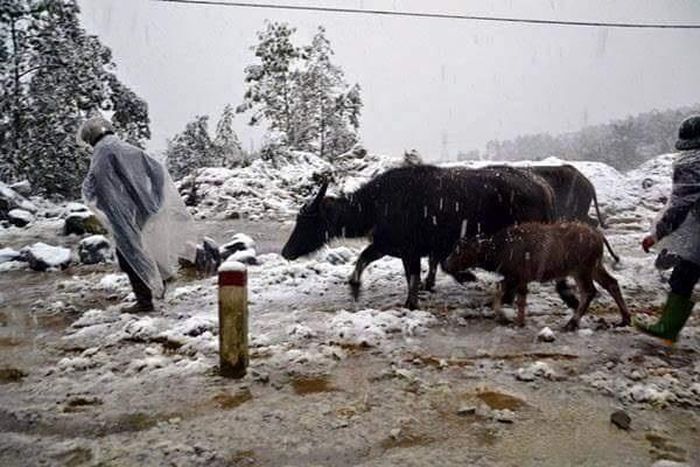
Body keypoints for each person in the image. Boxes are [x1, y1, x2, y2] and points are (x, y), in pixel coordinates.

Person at [79, 116, 197, 312]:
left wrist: (106, 207)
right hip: (143, 210)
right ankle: (161, 283)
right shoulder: (126, 147)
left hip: (123, 214)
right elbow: (157, 170)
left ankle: (145, 301)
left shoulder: (102, 152)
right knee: (148, 246)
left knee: (128, 255)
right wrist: (156, 199)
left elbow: (96, 187)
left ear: (91, 136)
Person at [637, 115, 700, 343]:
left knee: (683, 276)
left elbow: (680, 205)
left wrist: (656, 235)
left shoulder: (691, 163)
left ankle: (668, 328)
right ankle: (668, 327)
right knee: (685, 273)